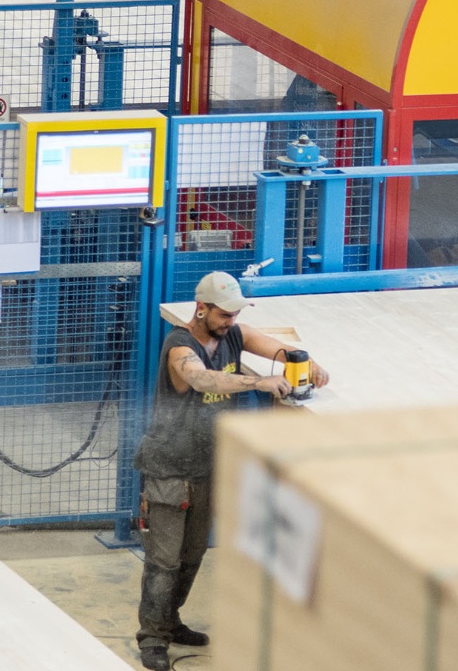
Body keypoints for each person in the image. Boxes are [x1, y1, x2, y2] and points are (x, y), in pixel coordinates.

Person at [133, 271, 329, 671]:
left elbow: (278, 348)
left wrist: (305, 363)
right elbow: (200, 378)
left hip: (208, 464)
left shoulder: (233, 334)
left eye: (236, 315)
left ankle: (170, 621)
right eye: (224, 315)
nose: (231, 322)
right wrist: (258, 383)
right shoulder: (179, 346)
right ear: (201, 310)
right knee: (164, 560)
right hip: (170, 469)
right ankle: (152, 638)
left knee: (192, 555)